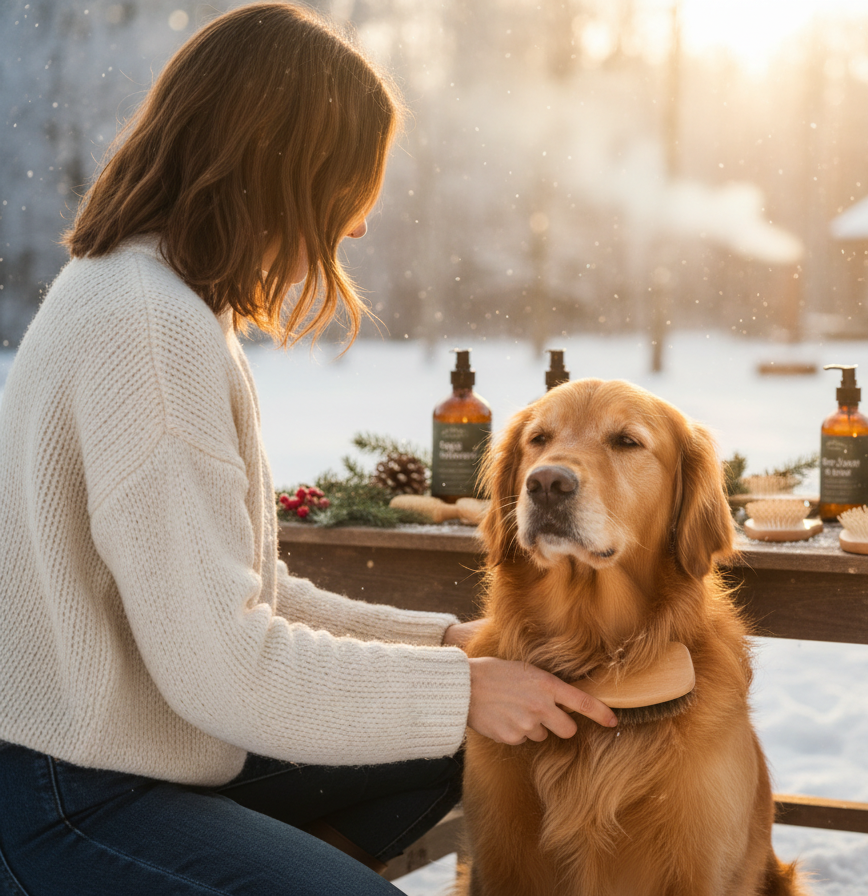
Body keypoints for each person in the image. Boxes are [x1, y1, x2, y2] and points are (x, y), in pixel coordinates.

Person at [0, 4, 616, 894]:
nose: (358, 225)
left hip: (142, 739)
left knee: (466, 735)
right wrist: (462, 687)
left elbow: (251, 597)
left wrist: (451, 645)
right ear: (287, 169)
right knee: (461, 716)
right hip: (69, 790)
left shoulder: (154, 295)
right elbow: (224, 665)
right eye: (354, 184)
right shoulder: (147, 329)